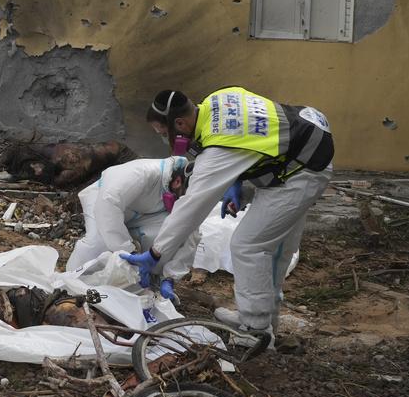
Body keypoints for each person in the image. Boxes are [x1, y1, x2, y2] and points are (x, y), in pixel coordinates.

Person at [122, 87, 334, 342]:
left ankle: (255, 331)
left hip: (301, 171)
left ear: (180, 124)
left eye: (165, 133)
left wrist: (156, 254)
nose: (166, 139)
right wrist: (236, 180)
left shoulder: (219, 147)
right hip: (304, 143)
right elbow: (253, 131)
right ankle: (262, 319)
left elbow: (190, 209)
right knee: (275, 247)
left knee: (248, 246)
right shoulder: (218, 98)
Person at [67, 156, 198, 302]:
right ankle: (70, 286)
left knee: (176, 231)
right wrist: (129, 251)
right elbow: (108, 205)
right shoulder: (142, 173)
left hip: (145, 211)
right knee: (98, 242)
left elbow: (189, 231)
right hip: (102, 200)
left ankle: (154, 280)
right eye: (184, 194)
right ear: (177, 182)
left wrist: (170, 277)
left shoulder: (178, 189)